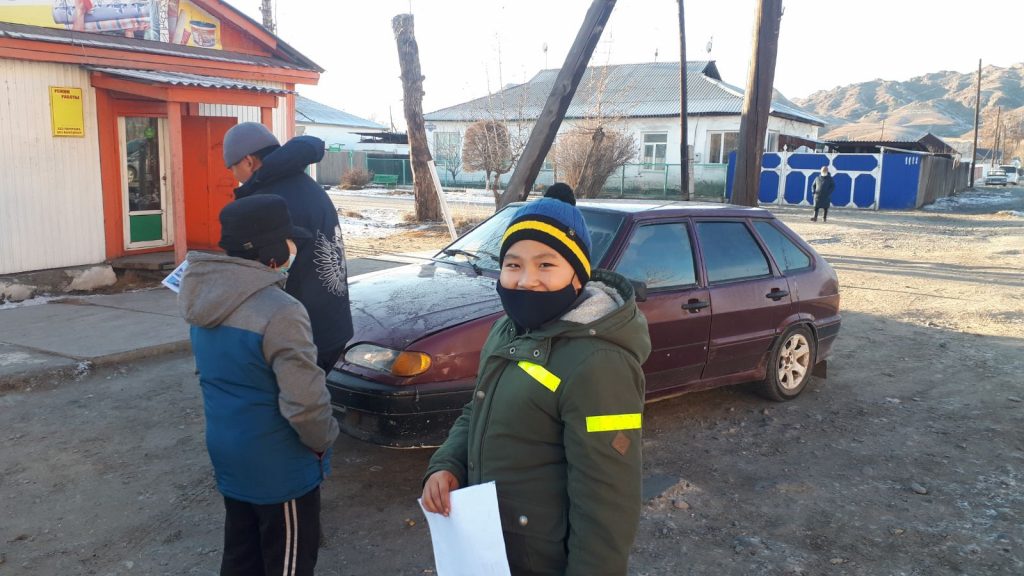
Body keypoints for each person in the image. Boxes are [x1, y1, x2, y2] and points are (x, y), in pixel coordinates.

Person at [421, 184, 652, 576]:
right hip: (492, 546)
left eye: (546, 265)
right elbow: (477, 410)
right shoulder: (508, 330)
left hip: (542, 560)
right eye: (513, 265)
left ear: (577, 276)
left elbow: (608, 499)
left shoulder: (598, 362)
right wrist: (447, 465)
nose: (526, 280)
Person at [179, 194, 340, 576]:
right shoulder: (281, 311)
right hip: (279, 467)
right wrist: (323, 441)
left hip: (228, 452)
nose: (293, 247)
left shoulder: (204, 298)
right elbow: (306, 404)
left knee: (241, 556)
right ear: (271, 251)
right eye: (289, 240)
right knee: (288, 562)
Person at [222, 122, 353, 373]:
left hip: (298, 331)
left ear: (248, 161)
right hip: (330, 322)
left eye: (232, 168)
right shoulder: (305, 185)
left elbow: (258, 272)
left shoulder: (268, 202)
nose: (234, 176)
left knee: (295, 396)